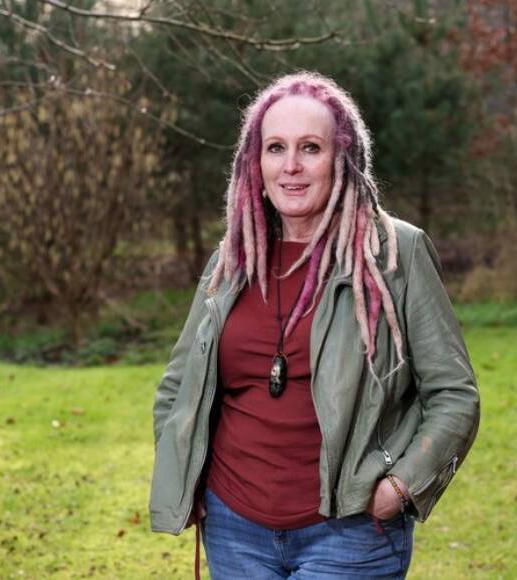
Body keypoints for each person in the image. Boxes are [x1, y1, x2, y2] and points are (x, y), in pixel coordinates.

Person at [150, 71, 480, 579]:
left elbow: (455, 395)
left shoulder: (396, 253)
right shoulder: (231, 261)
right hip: (234, 527)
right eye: (275, 148)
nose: (291, 167)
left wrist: (401, 486)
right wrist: (185, 475)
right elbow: (177, 388)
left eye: (310, 148)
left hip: (350, 532)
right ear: (254, 164)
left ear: (342, 158)